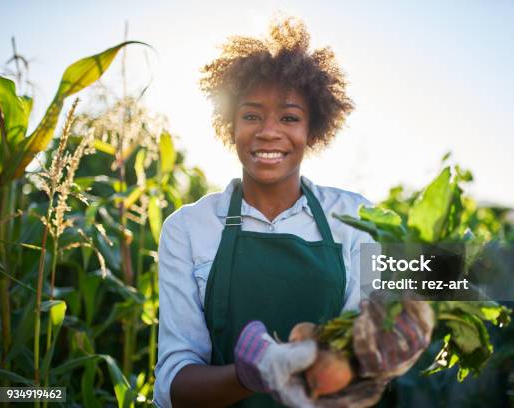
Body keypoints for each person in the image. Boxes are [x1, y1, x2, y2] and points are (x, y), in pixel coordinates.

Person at [153, 17, 433, 408]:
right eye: (251, 115)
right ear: (230, 125)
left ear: (312, 128)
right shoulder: (188, 228)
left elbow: (374, 342)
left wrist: (406, 330)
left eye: (289, 117)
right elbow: (174, 385)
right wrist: (253, 371)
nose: (269, 132)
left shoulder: (354, 218)